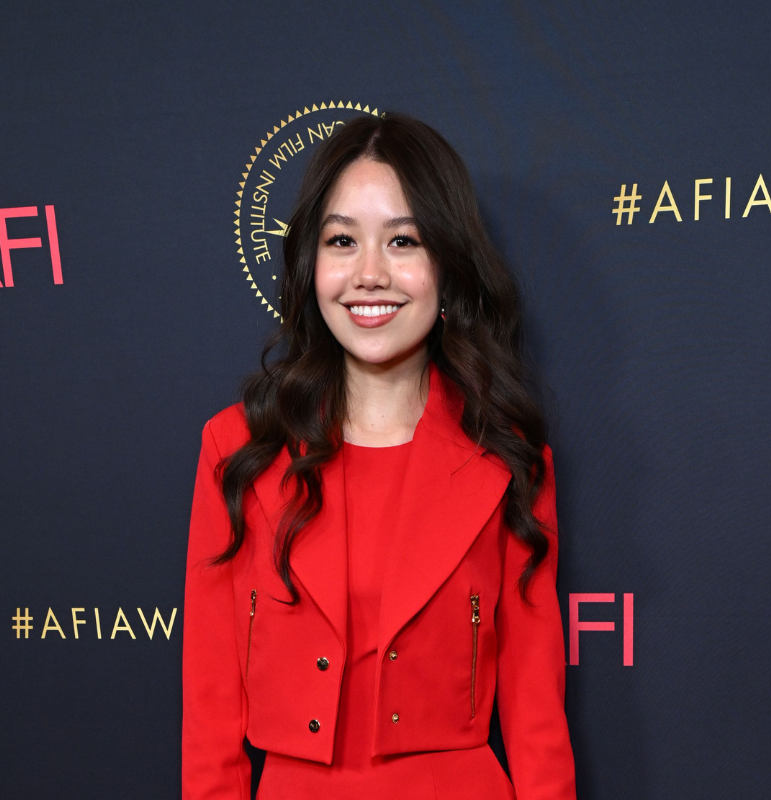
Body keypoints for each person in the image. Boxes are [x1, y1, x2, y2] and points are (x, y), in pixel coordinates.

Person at [182, 112, 576, 800]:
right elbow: (211, 716)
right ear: (311, 265)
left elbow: (536, 714)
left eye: (403, 240)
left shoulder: (507, 456)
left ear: (447, 264)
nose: (369, 274)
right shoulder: (238, 447)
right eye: (342, 241)